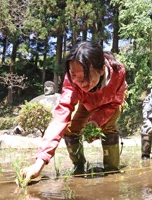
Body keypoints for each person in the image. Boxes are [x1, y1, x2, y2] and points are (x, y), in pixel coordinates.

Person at [20, 41, 127, 183]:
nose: (79, 82)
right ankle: (79, 166)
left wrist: (96, 121)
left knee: (108, 128)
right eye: (73, 75)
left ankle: (111, 170)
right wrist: (39, 163)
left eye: (84, 77)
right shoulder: (73, 80)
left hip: (110, 103)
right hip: (87, 102)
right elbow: (60, 117)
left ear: (101, 70)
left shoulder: (118, 72)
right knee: (71, 129)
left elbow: (115, 102)